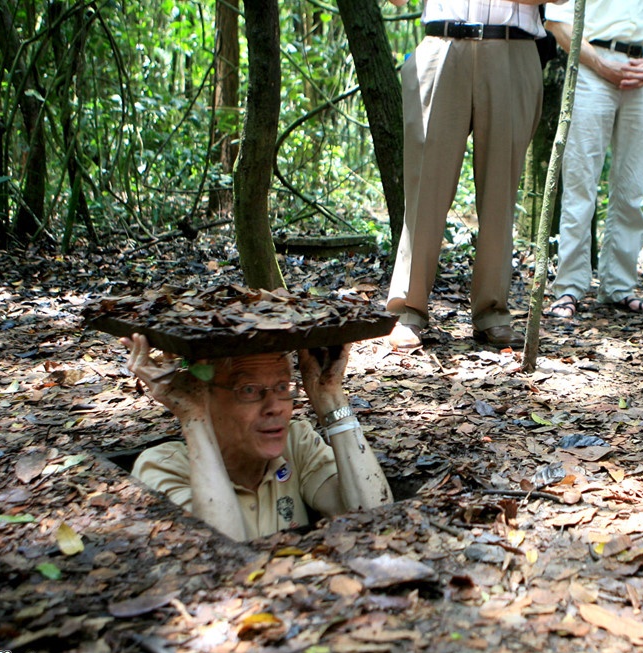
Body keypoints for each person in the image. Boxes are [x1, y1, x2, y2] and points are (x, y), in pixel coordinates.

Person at [384, 0, 560, 351]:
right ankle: (408, 309)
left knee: (500, 190)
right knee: (424, 187)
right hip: (440, 46)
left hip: (513, 49)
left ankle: (492, 312)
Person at [123, 334, 393, 542]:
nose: (274, 406)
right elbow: (222, 559)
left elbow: (377, 522)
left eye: (282, 387)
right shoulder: (161, 466)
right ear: (203, 395)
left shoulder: (296, 444)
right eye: (249, 390)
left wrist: (330, 397)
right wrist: (194, 419)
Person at [543, 0, 643, 320]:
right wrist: (601, 64)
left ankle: (619, 285)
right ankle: (569, 287)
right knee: (580, 183)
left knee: (632, 185)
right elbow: (556, 21)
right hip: (592, 69)